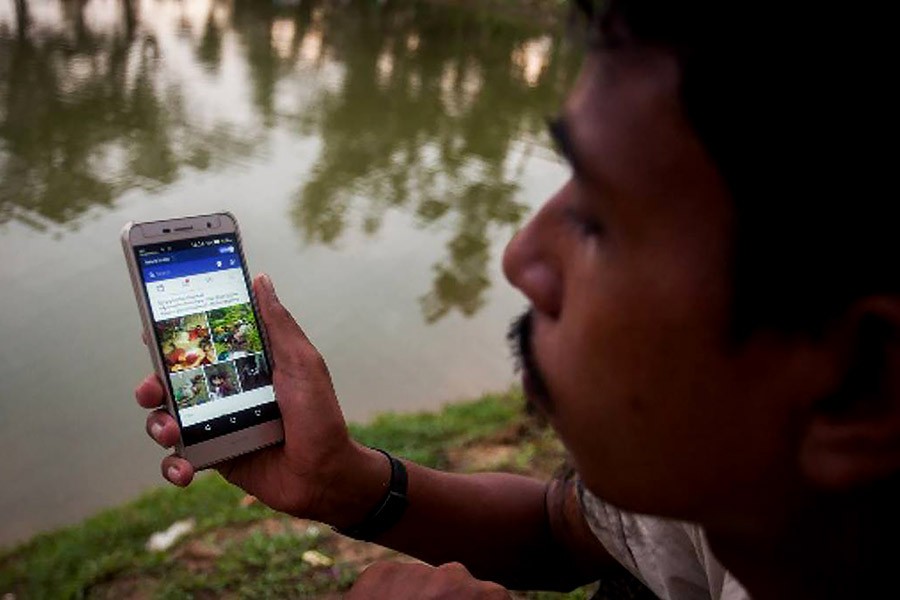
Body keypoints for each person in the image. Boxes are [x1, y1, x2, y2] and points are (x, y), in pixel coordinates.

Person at [135, 1, 896, 598]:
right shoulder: (744, 498)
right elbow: (560, 530)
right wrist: (344, 482)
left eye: (598, 221)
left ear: (858, 384)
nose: (519, 258)